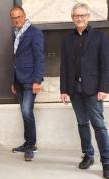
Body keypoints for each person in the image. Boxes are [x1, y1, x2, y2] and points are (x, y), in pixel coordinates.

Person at [60, 3, 109, 178]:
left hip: (94, 89)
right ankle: (88, 155)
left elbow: (105, 65)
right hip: (74, 89)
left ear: (88, 17)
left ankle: (106, 162)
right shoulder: (67, 40)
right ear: (72, 18)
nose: (79, 18)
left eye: (83, 15)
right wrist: (64, 89)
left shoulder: (99, 37)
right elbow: (64, 67)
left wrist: (104, 88)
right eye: (76, 16)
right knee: (82, 123)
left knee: (99, 126)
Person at [10, 6, 45, 161]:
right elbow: (16, 60)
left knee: (26, 111)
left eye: (19, 17)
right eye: (13, 18)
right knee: (25, 113)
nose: (16, 20)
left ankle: (31, 146)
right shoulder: (16, 34)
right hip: (19, 80)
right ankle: (28, 142)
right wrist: (13, 81)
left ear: (24, 16)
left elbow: (39, 58)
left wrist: (37, 81)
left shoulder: (34, 32)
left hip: (31, 81)